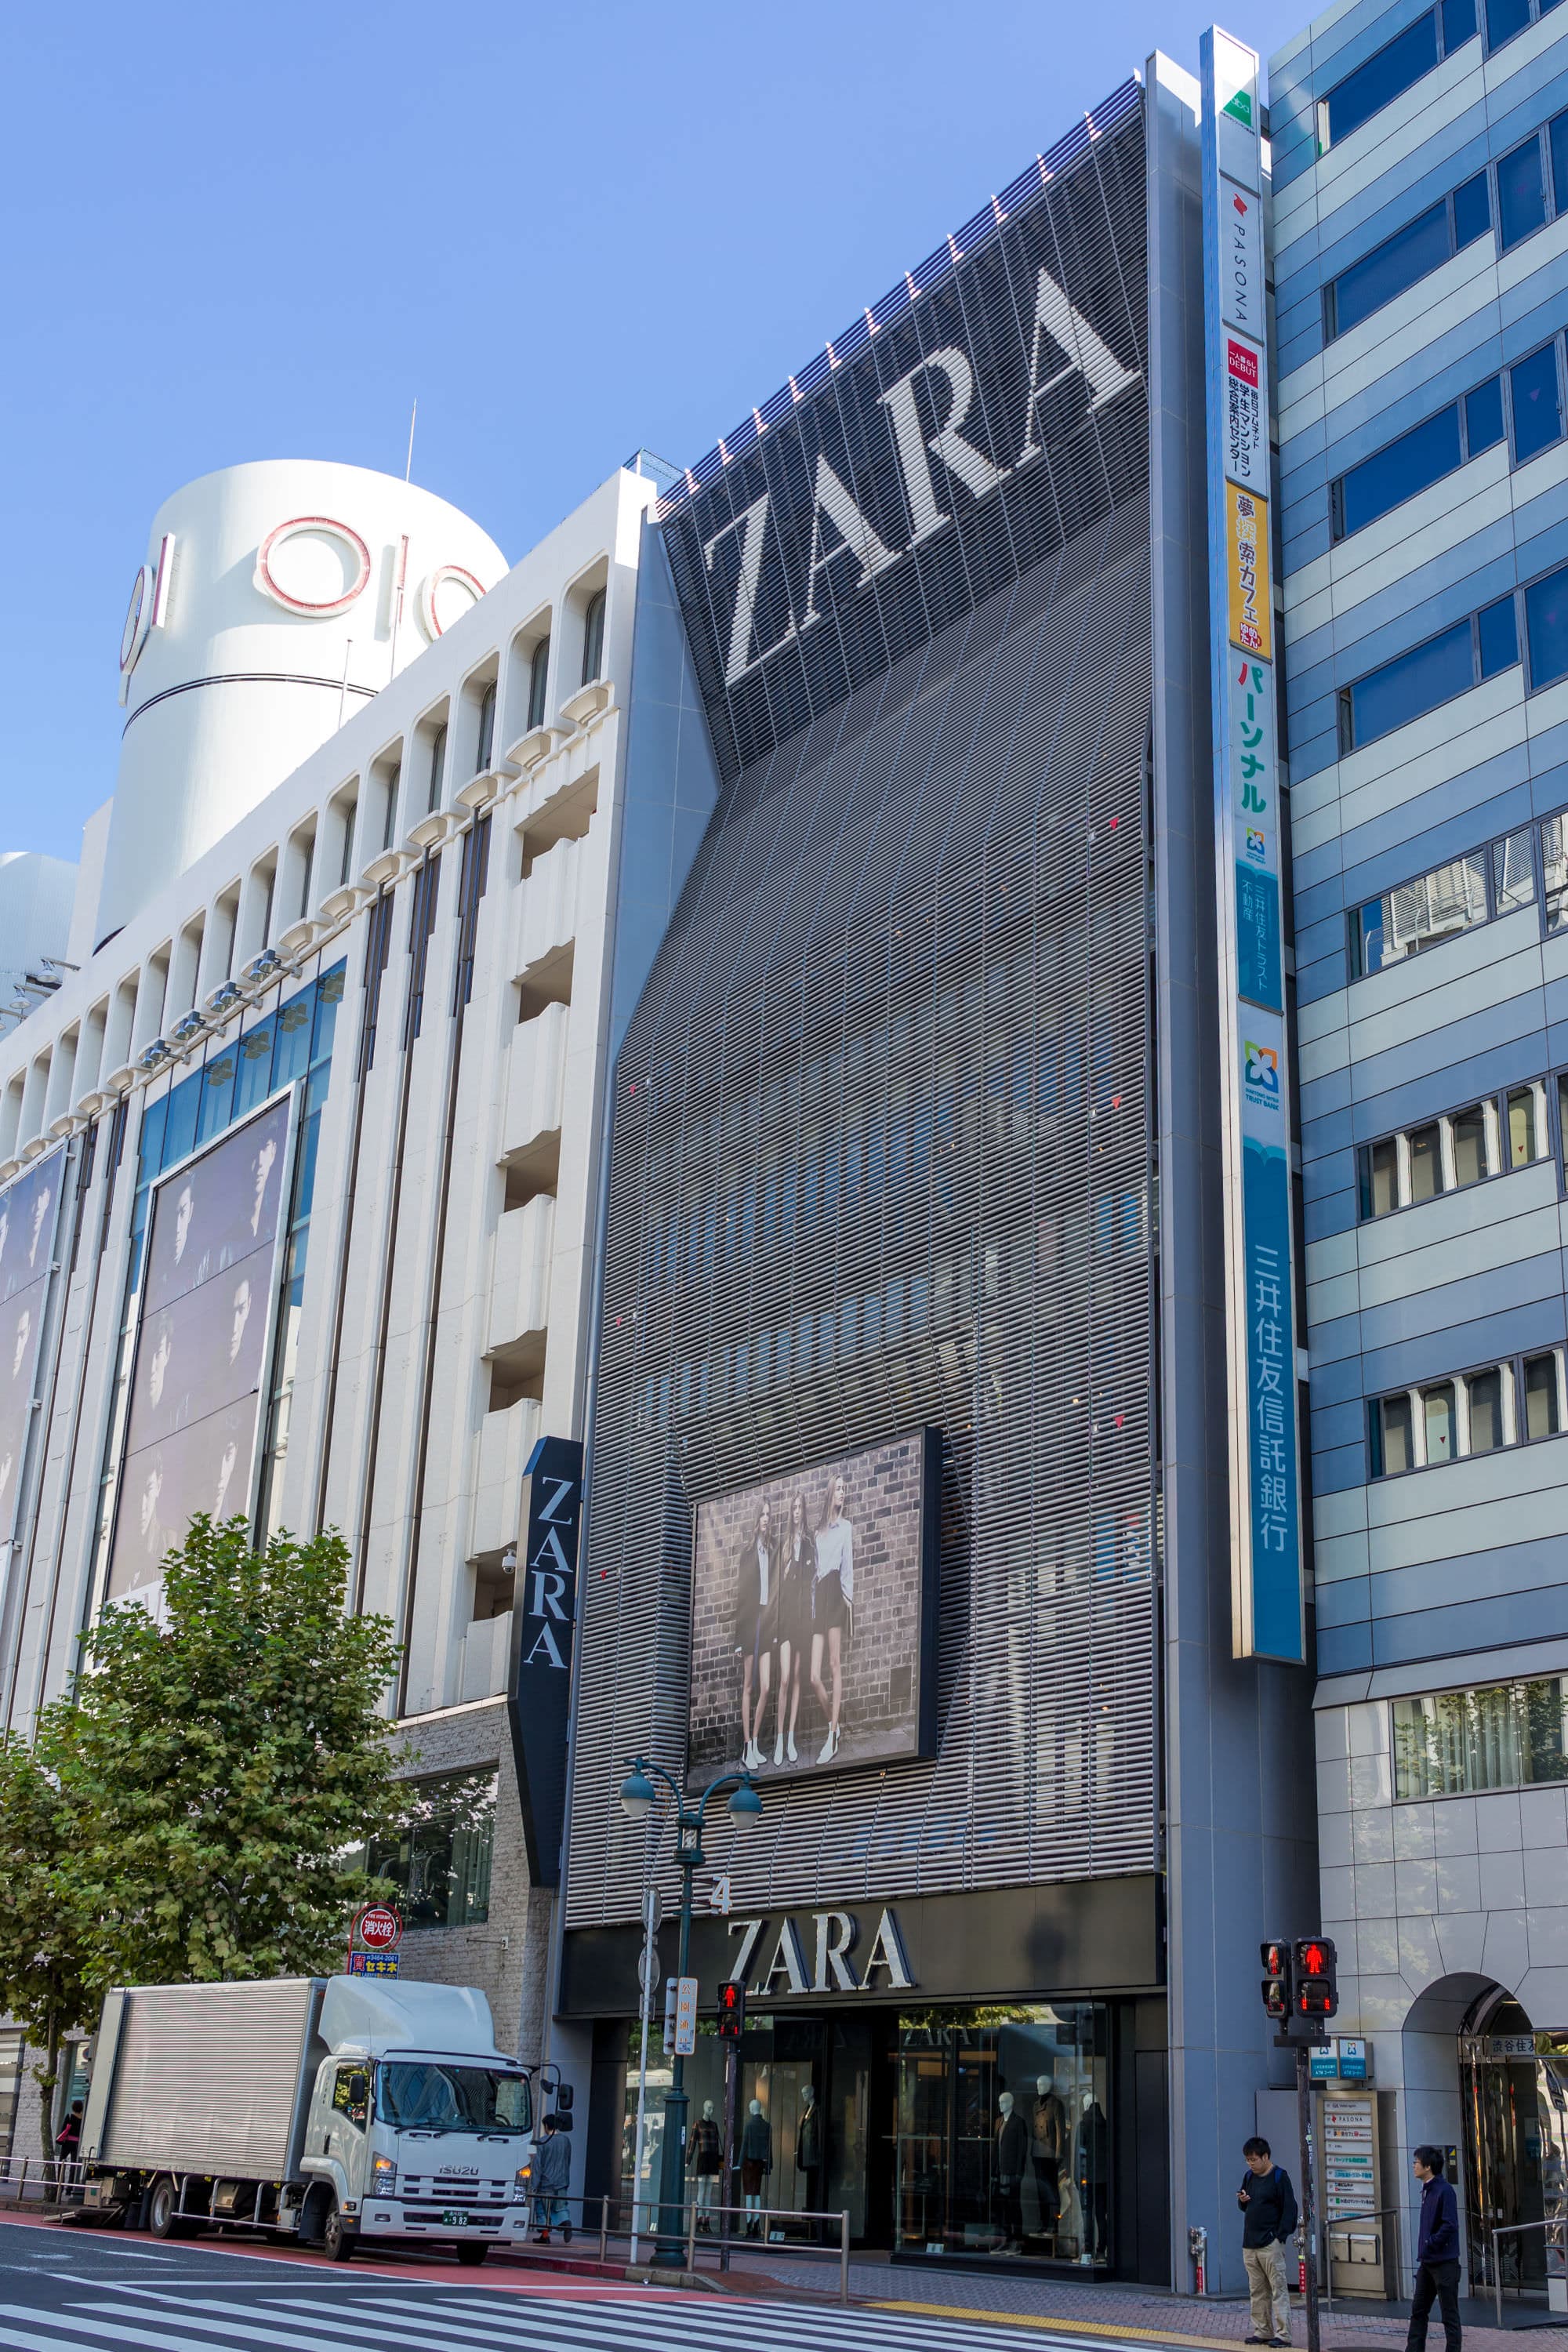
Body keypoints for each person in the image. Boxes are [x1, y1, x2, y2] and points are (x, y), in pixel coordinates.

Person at [810, 1472, 854, 1764]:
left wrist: (849, 1601)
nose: (842, 1493)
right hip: (820, 1595)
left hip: (836, 1592)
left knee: (834, 1664)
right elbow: (815, 1572)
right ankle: (834, 1725)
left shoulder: (846, 1528)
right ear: (829, 1493)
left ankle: (831, 1736)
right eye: (838, 1488)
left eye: (844, 1489)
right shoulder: (817, 1533)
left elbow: (848, 1567)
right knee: (814, 1675)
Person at [1238, 2134, 1298, 2347]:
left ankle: (1283, 2335)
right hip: (1250, 2243)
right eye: (1248, 2160)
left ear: (1265, 2157)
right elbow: (1245, 2205)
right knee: (1257, 2290)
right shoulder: (1249, 2177)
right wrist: (1242, 2201)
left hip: (1270, 2243)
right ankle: (1262, 2330)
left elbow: (1290, 2209)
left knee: (1278, 2289)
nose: (1250, 2164)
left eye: (1253, 2159)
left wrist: (1279, 2236)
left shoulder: (1279, 2177)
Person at [772, 1494, 814, 1766]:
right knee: (785, 1678)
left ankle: (790, 1738)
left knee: (798, 1676)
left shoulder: (808, 1544)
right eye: (794, 1508)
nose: (797, 1512)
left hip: (803, 1619)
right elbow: (778, 1586)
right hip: (786, 1617)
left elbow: (811, 1578)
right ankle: (778, 1739)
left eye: (800, 1508)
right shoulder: (784, 1545)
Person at [1407, 2145, 1461, 2352]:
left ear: (1428, 2166)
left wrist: (1431, 2243)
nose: (1414, 2166)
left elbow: (1450, 2224)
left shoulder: (1444, 2190)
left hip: (1445, 2262)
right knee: (1418, 2310)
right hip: (1427, 2262)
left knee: (1449, 2314)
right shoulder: (1427, 2190)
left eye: (1417, 2163)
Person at [734, 1501, 775, 1771]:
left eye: (769, 1515)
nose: (766, 1519)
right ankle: (747, 1745)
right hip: (750, 1621)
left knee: (767, 1685)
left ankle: (756, 1742)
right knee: (749, 1685)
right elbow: (741, 1595)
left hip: (768, 1619)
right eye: (762, 1515)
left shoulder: (772, 1550)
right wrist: (738, 1638)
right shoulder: (747, 1553)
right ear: (755, 1520)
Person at [530, 2113, 572, 2242]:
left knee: (542, 2210)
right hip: (562, 2181)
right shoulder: (566, 2141)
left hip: (546, 2183)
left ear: (546, 2126)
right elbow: (568, 2160)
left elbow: (538, 2167)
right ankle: (566, 2223)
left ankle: (545, 2235)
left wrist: (534, 2185)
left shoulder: (542, 2142)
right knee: (561, 2207)